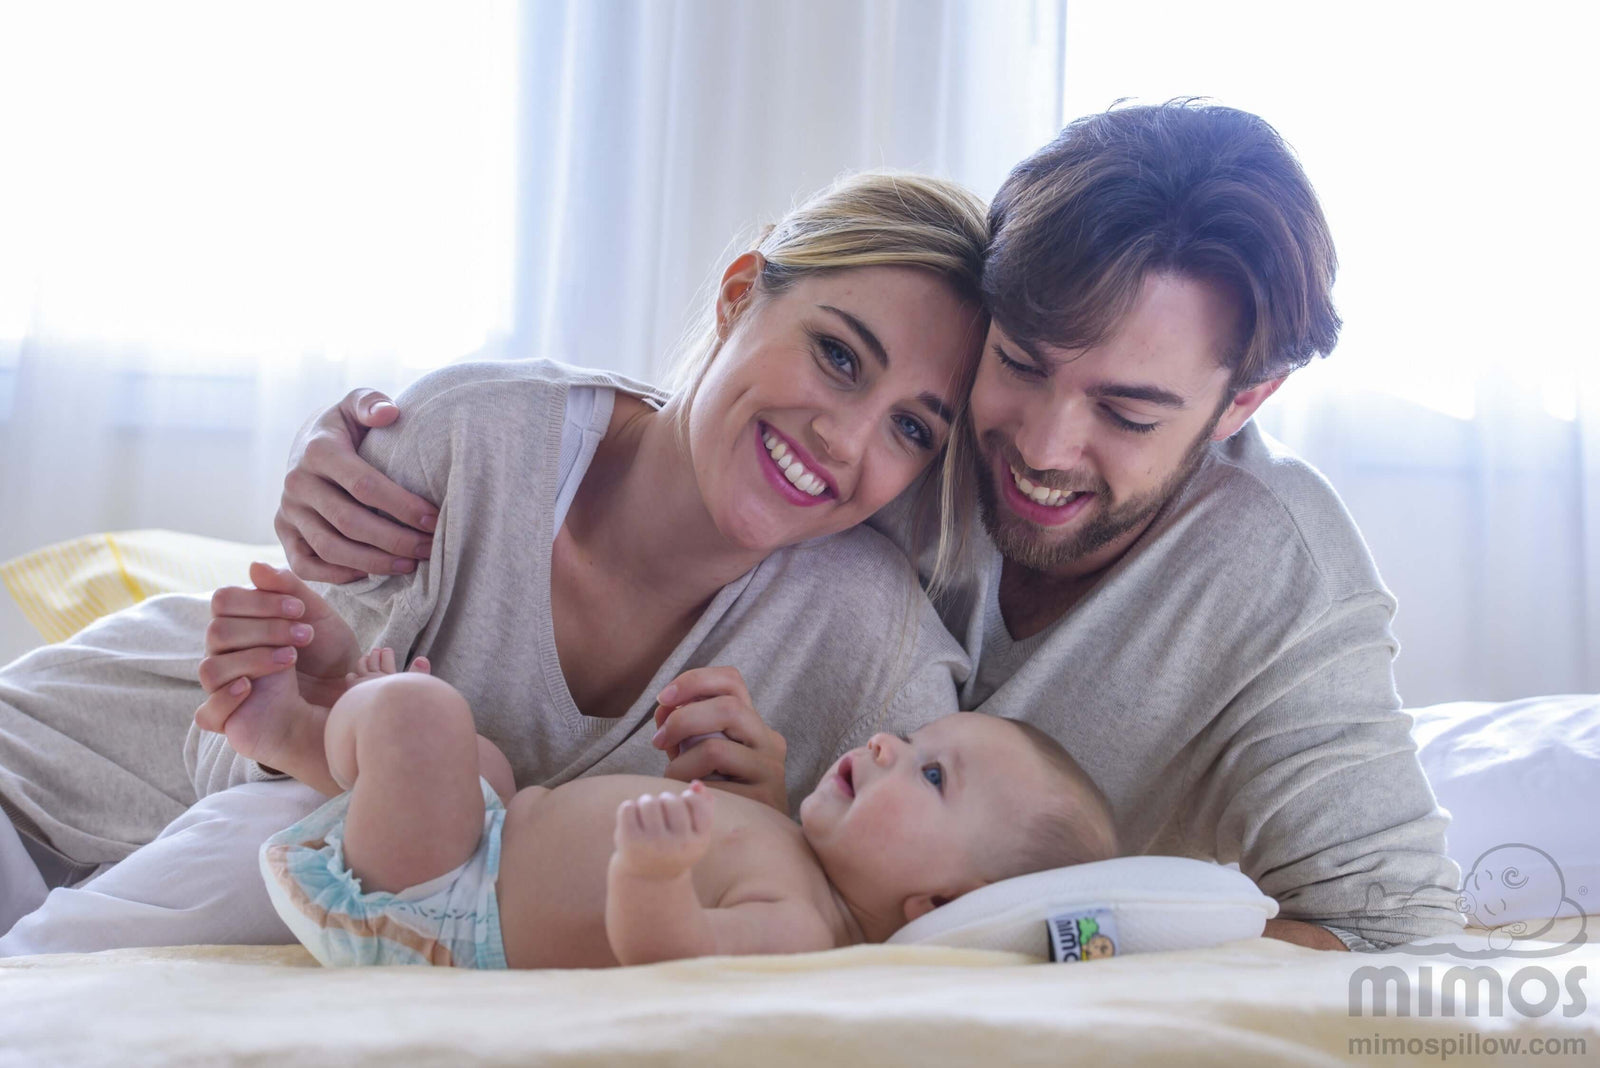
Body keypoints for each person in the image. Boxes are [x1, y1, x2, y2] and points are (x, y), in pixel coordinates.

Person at [270, 102, 1465, 951]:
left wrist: (1073, 978)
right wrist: (379, 445)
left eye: (1126, 411)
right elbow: (721, 422)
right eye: (1022, 362)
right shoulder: (905, 446)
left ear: (1241, 404)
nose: (1043, 447)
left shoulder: (1277, 575)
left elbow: (1397, 929)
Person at [0, 172, 986, 953]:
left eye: (911, 428)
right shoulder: (478, 440)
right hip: (51, 777)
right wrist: (303, 714)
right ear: (737, 298)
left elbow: (947, 890)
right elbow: (246, 771)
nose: (845, 439)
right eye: (837, 355)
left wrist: (767, 826)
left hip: (166, 909)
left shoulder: (873, 650)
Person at [238, 623, 1115, 969]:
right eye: (917, 738)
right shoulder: (797, 855)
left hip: (442, 917)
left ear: (936, 905)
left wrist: (655, 873)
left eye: (931, 775)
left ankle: (297, 732)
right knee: (483, 764)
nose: (889, 743)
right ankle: (363, 739)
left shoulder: (802, 930)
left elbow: (674, 953)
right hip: (480, 848)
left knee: (423, 714)